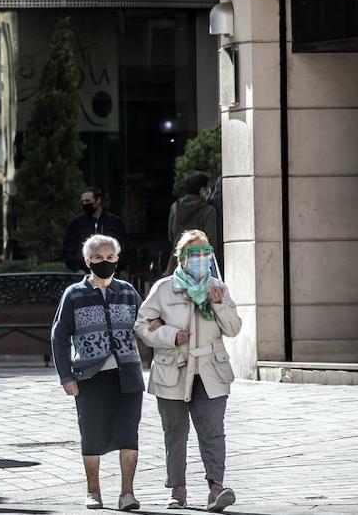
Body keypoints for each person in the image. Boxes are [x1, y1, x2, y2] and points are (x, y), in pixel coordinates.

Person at [135, 230, 242, 512]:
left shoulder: (218, 287)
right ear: (181, 258)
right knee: (175, 433)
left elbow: (233, 328)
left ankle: (216, 488)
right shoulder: (164, 288)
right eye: (195, 254)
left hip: (210, 371)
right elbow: (142, 325)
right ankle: (178, 490)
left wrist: (218, 304)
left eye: (206, 253)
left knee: (212, 431)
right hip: (173, 370)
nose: (201, 259)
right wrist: (170, 335)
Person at [51, 234, 144, 511]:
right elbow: (59, 336)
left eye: (110, 257)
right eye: (99, 258)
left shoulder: (128, 291)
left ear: (117, 259)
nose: (105, 262)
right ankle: (94, 491)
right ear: (87, 261)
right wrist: (66, 376)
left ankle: (127, 494)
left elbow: (147, 325)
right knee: (91, 435)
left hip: (128, 375)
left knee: (129, 434)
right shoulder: (74, 294)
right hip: (89, 378)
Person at [61, 188, 131, 273]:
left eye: (87, 201)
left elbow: (123, 249)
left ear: (98, 200)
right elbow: (68, 250)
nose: (84, 204)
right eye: (82, 201)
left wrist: (114, 268)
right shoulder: (76, 224)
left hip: (109, 273)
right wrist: (77, 269)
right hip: (83, 273)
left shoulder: (114, 222)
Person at [165, 172, 218, 274]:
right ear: (202, 190)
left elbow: (171, 236)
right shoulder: (208, 210)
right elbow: (212, 242)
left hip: (176, 263)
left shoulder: (175, 208)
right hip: (201, 266)